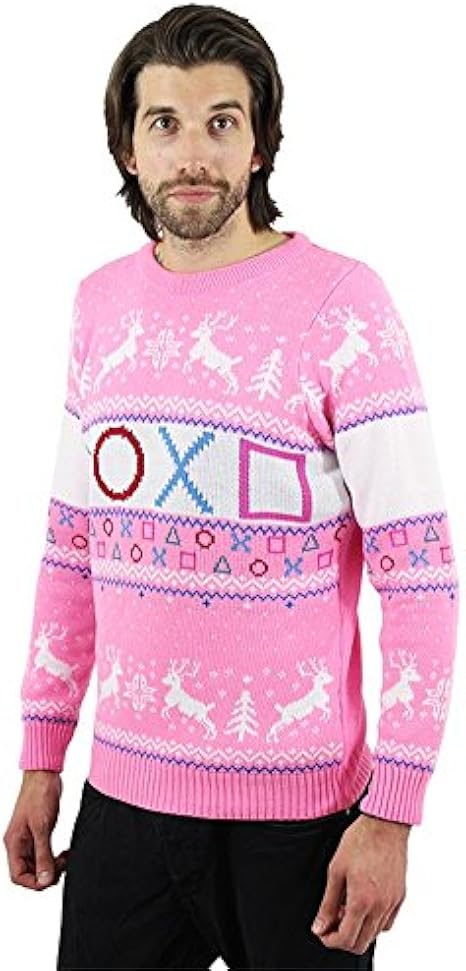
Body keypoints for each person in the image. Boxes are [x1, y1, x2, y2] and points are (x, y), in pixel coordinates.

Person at [3, 5, 459, 970]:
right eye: (164, 123)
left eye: (221, 121)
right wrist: (42, 758)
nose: (192, 154)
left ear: (260, 144)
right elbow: (71, 548)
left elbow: (419, 574)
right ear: (127, 148)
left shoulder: (343, 305)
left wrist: (393, 813)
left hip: (301, 825)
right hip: (123, 806)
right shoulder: (99, 306)